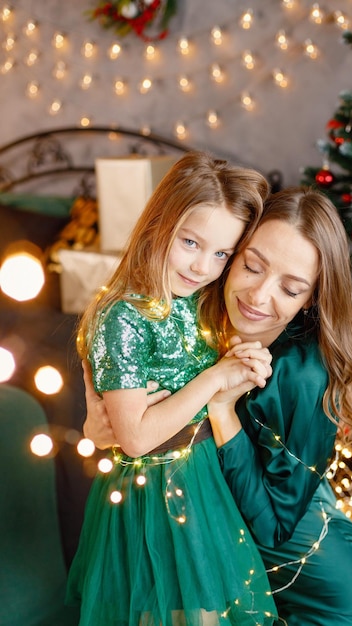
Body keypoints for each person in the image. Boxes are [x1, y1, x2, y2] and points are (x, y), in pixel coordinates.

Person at [83, 186, 352, 625]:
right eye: (251, 265)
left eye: (291, 287)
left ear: (313, 297)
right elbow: (139, 418)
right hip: (223, 570)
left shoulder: (300, 374)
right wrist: (100, 428)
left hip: (315, 587)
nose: (259, 296)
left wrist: (222, 410)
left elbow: (272, 527)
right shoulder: (197, 307)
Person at [66, 151, 277, 626]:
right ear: (158, 222)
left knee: (212, 610)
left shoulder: (199, 300)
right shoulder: (123, 315)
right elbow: (137, 438)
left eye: (222, 253)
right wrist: (215, 378)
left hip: (201, 478)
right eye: (190, 242)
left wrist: (240, 362)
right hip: (155, 493)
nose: (204, 265)